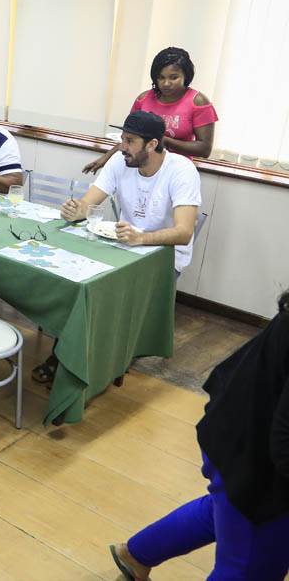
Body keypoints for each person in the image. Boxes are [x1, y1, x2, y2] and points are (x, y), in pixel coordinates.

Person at [109, 290, 289, 581]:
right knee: (252, 559)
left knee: (225, 511)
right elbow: (284, 444)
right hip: (254, 453)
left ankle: (136, 555)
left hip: (236, 425)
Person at [62, 111, 201, 276]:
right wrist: (77, 211)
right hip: (124, 246)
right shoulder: (119, 161)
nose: (122, 147)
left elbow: (184, 232)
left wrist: (140, 238)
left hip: (166, 257)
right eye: (122, 139)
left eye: (129, 141)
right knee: (72, 268)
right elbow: (87, 203)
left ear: (151, 144)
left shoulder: (182, 170)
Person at [84, 47, 217, 174]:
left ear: (186, 76)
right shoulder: (144, 99)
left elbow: (204, 149)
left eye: (173, 77)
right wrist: (105, 159)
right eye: (161, 77)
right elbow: (129, 136)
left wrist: (164, 140)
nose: (166, 83)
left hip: (176, 171)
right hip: (141, 168)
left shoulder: (198, 102)